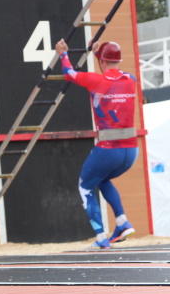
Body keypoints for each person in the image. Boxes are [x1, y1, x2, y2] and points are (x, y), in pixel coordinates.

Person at [54, 38, 138, 249]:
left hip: (109, 149)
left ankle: (101, 238)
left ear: (101, 61)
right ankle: (121, 222)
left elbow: (69, 74)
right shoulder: (131, 79)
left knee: (84, 186)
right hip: (131, 151)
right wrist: (97, 52)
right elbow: (108, 70)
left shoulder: (95, 81)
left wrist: (63, 54)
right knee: (102, 179)